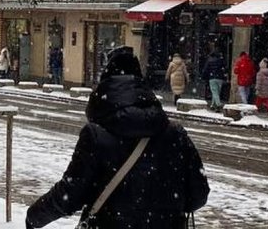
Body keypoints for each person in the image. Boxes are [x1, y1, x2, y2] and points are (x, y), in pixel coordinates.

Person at [26, 47, 209, 229]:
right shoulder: (175, 134)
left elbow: (70, 194)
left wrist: (34, 217)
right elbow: (198, 195)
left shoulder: (95, 136)